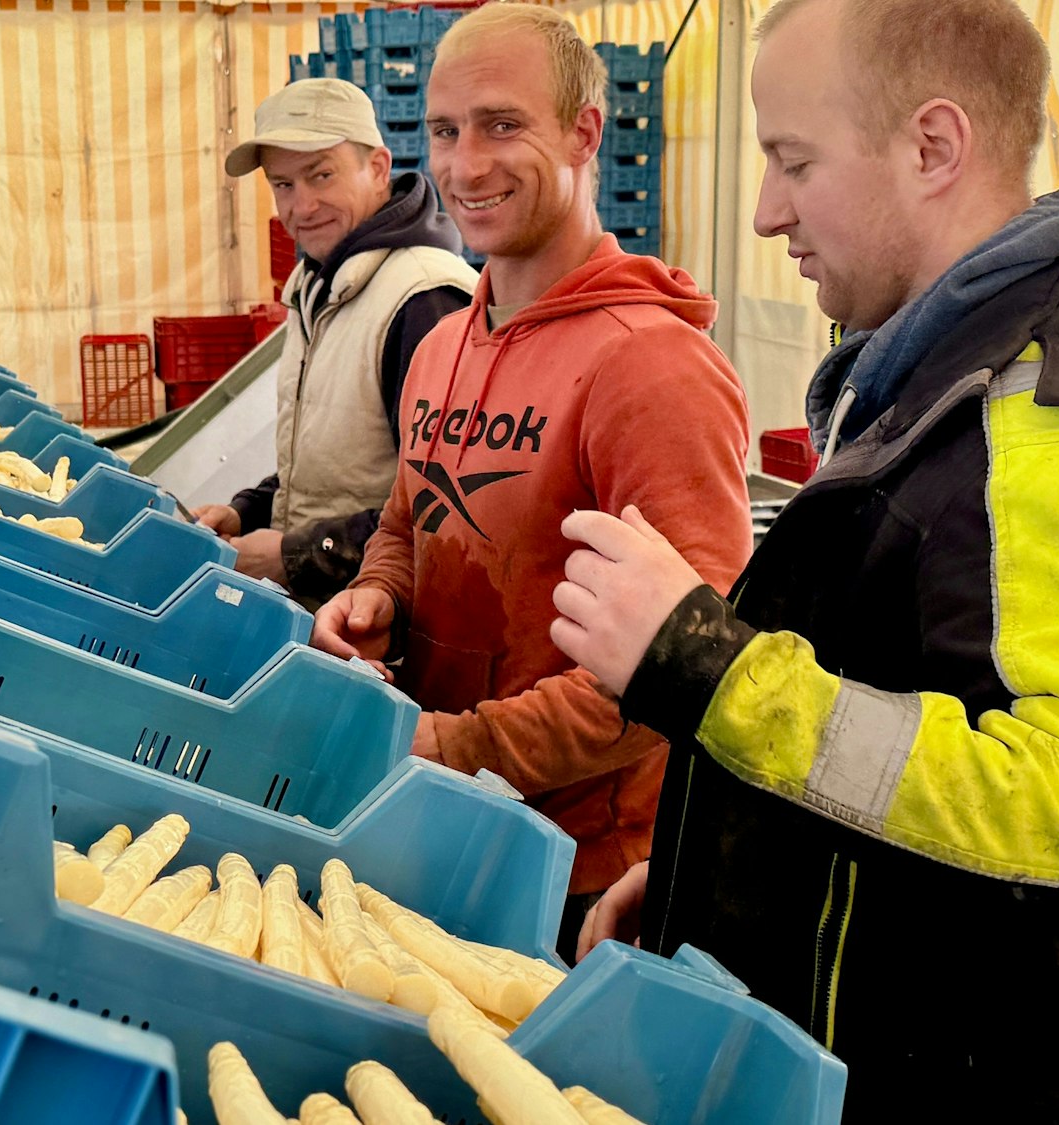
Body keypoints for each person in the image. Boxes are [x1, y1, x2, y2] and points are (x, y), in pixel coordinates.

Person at [550, 0, 1059, 1118]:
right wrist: (720, 881)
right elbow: (908, 708)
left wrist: (705, 666)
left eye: (791, 162)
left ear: (932, 147)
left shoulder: (1053, 432)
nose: (764, 214)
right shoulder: (928, 384)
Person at [308, 2, 753, 954]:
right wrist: (377, 591)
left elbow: (688, 668)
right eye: (444, 131)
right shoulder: (439, 347)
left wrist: (450, 747)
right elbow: (405, 519)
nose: (466, 166)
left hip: (581, 880)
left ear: (586, 133)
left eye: (503, 125)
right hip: (448, 827)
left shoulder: (653, 366)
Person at [198, 79, 478, 606]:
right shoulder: (317, 287)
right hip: (322, 614)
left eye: (320, 175)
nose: (302, 206)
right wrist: (247, 510)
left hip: (384, 632)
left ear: (376, 166)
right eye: (282, 184)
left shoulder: (423, 299)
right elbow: (332, 466)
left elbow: (447, 508)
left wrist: (296, 554)